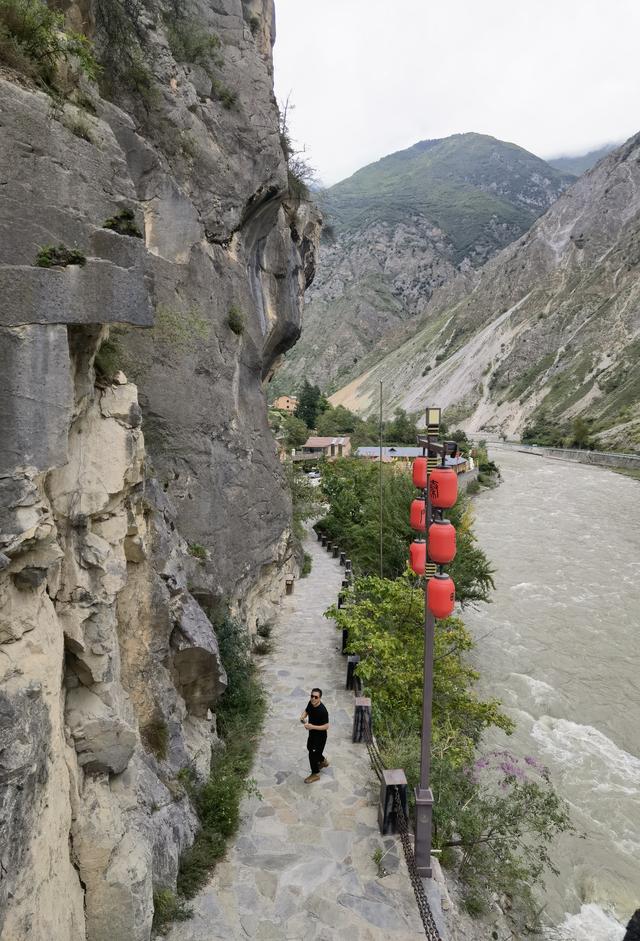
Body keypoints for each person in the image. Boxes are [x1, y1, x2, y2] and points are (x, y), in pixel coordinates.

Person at [299, 687, 329, 783]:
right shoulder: (311, 703)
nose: (313, 698)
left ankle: (314, 774)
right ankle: (323, 761)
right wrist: (303, 717)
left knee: (312, 755)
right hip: (312, 734)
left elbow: (326, 726)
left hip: (320, 737)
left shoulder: (323, 711)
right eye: (312, 696)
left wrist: (312, 727)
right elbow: (306, 711)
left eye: (316, 697)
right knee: (310, 748)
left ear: (320, 698)